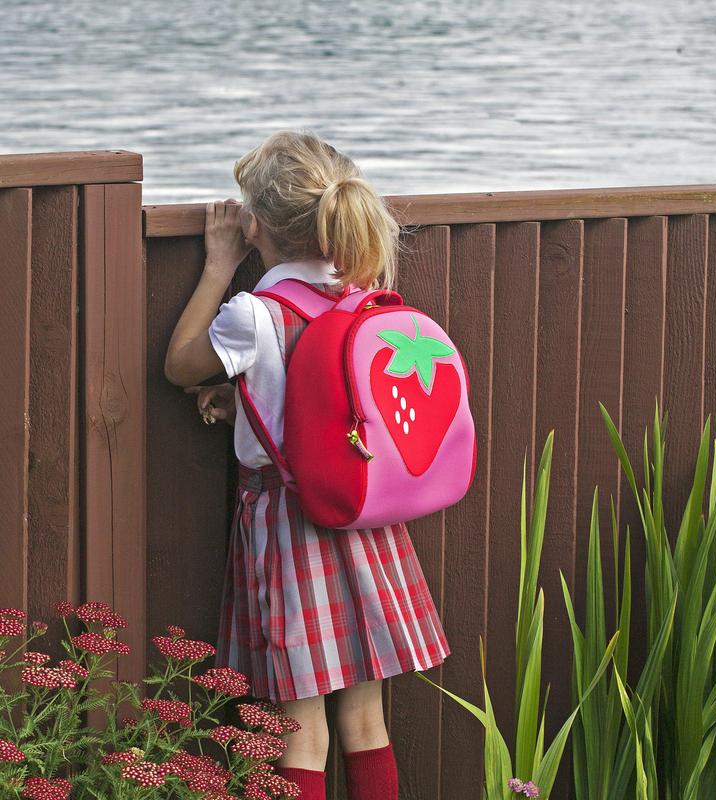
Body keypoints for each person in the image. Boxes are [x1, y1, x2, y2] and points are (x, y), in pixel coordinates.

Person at [163, 130, 451, 800]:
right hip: (363, 515)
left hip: (289, 530)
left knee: (299, 730)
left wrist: (215, 267)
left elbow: (179, 366)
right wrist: (245, 410)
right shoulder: (363, 294)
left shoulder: (254, 314)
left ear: (253, 223)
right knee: (365, 720)